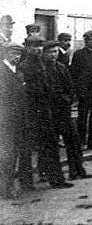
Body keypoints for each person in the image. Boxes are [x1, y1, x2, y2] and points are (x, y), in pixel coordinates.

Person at [21, 36, 72, 188]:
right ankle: (26, 183)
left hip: (44, 112)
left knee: (50, 146)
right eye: (33, 47)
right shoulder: (24, 67)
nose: (37, 50)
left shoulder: (42, 65)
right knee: (26, 149)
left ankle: (56, 180)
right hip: (30, 113)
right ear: (27, 48)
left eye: (39, 47)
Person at [41, 42, 91, 181]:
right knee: (50, 145)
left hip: (64, 111)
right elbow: (45, 91)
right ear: (44, 54)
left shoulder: (62, 68)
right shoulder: (42, 70)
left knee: (73, 141)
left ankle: (77, 171)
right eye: (50, 52)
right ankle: (47, 175)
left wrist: (69, 99)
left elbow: (70, 86)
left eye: (55, 52)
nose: (53, 55)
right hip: (49, 112)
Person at [0, 44, 26, 198]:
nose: (16, 57)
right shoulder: (2, 72)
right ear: (5, 53)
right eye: (13, 54)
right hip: (4, 120)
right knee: (6, 156)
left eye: (19, 54)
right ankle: (5, 189)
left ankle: (7, 187)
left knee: (12, 154)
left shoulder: (18, 72)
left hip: (16, 120)